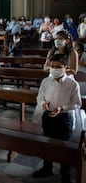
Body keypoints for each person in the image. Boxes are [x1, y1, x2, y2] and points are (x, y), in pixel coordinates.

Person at [31, 54, 81, 183]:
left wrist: (62, 108)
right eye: (52, 67)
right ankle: (47, 168)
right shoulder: (46, 81)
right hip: (48, 116)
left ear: (66, 68)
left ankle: (65, 174)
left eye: (58, 67)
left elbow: (76, 103)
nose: (54, 69)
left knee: (64, 147)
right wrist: (43, 103)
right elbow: (40, 97)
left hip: (64, 118)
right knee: (47, 143)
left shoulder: (72, 83)